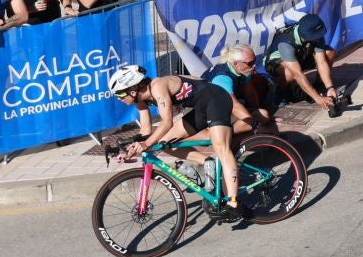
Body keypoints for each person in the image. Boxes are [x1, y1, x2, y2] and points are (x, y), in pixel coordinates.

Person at [108, 63, 250, 221]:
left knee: (221, 148)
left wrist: (146, 144)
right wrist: (127, 149)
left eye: (120, 95)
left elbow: (167, 122)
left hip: (216, 99)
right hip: (200, 108)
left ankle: (233, 203)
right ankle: (208, 162)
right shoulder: (140, 100)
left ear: (132, 90)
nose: (119, 99)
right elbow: (145, 132)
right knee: (163, 143)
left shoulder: (157, 86)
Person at [262, 13, 343, 117]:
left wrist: (330, 87)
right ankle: (281, 91)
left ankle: (319, 84)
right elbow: (297, 74)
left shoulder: (316, 35)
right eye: (316, 36)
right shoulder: (285, 41)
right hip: (277, 62)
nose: (320, 37)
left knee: (329, 53)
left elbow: (321, 62)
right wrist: (317, 98)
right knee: (290, 73)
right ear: (308, 36)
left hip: (300, 56)